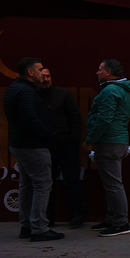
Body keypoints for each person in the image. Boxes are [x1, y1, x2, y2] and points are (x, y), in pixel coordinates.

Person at [5, 57, 62, 242]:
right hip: (32, 145)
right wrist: (49, 135)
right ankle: (39, 227)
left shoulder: (16, 88)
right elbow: (30, 120)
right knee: (42, 184)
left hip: (21, 144)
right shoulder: (26, 92)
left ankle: (28, 225)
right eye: (39, 70)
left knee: (27, 184)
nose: (42, 74)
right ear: (30, 72)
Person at [85, 58, 130, 237]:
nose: (97, 72)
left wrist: (90, 140)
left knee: (113, 184)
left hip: (109, 142)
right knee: (111, 183)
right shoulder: (124, 89)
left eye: (100, 69)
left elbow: (104, 119)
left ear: (108, 72)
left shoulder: (110, 90)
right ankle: (113, 218)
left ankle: (121, 222)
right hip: (118, 140)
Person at [39, 67, 86, 227]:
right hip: (45, 145)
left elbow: (75, 117)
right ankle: (48, 216)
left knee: (72, 180)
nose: (46, 79)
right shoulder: (33, 95)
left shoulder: (62, 94)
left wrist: (73, 140)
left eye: (48, 76)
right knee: (47, 182)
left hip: (65, 144)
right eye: (43, 76)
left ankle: (78, 215)